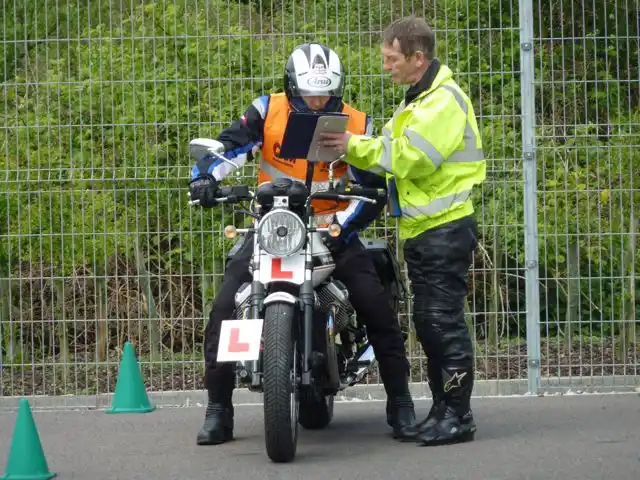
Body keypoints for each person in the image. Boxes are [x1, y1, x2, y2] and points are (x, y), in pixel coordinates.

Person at [188, 42, 417, 446]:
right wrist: (205, 176)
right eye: (310, 93)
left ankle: (401, 403)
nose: (318, 101)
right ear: (291, 87)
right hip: (271, 225)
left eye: (326, 93)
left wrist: (343, 227)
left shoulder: (355, 122)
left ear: (338, 88)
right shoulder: (266, 109)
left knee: (375, 304)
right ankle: (218, 410)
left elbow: (373, 186)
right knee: (225, 308)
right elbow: (229, 147)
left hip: (331, 226)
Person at [319, 16, 486, 446]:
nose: (386, 67)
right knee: (430, 323)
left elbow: (411, 158)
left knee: (442, 323)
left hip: (443, 229)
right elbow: (388, 156)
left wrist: (351, 145)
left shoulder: (441, 102)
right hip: (426, 230)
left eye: (391, 59)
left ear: (417, 57)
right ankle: (443, 409)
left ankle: (458, 415)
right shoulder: (418, 100)